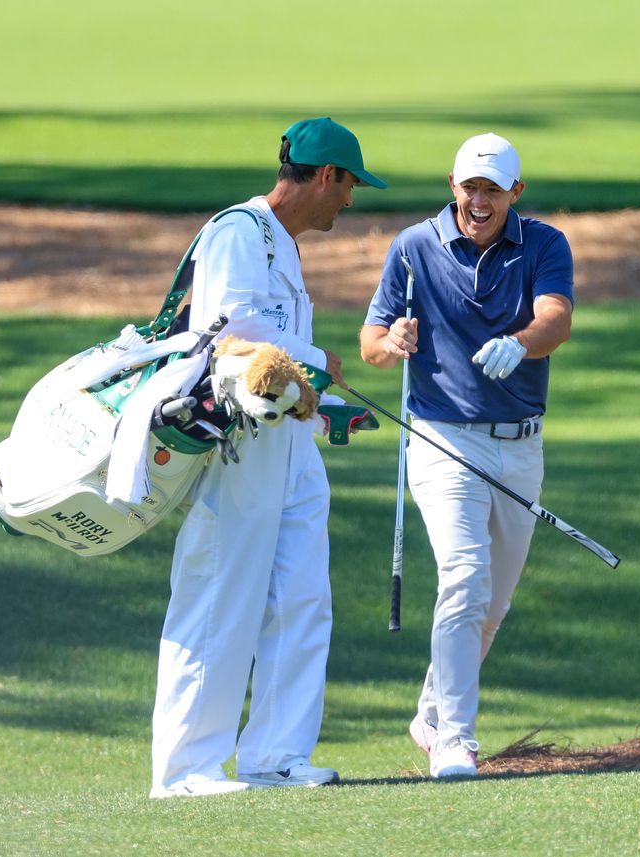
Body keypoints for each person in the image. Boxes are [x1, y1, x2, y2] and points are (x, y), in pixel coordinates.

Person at [149, 117, 386, 798]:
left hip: (289, 443)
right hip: (237, 442)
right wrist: (319, 361)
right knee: (221, 591)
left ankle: (277, 754)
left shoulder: (280, 242)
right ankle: (187, 768)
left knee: (302, 597)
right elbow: (226, 333)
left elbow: (275, 352)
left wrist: (320, 394)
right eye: (349, 186)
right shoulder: (239, 232)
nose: (350, 201)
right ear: (326, 176)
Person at [359, 133, 573, 778]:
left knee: (492, 604)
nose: (478, 201)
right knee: (464, 580)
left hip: (520, 443)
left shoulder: (543, 244)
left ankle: (430, 713)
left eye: (492, 190)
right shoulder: (414, 247)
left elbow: (556, 318)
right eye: (468, 187)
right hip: (441, 438)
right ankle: (453, 738)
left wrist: (523, 343)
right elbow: (370, 342)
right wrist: (391, 340)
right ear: (452, 185)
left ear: (516, 191)